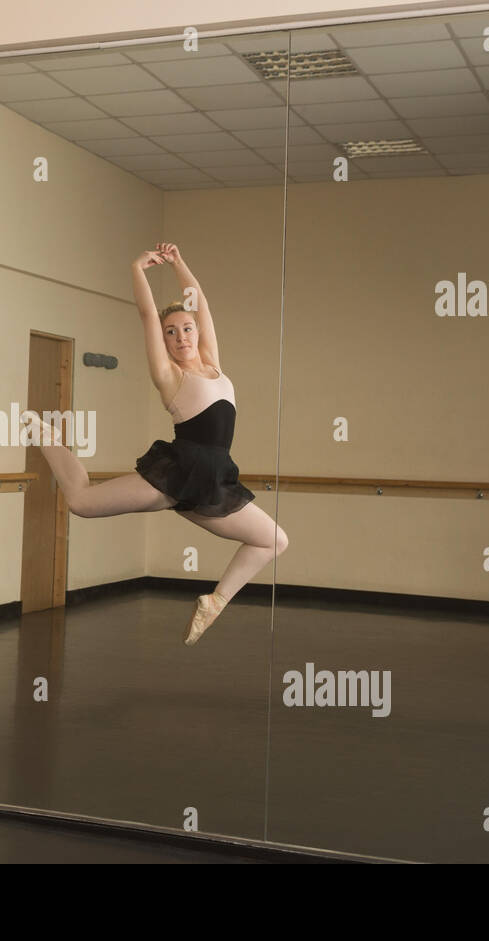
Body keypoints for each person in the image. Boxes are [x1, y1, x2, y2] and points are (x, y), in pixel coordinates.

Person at [22, 242, 289, 644]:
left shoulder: (213, 362)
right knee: (80, 502)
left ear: (196, 332)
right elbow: (147, 314)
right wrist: (137, 268)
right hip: (177, 473)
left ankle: (213, 602)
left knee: (273, 540)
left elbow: (201, 304)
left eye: (186, 329)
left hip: (215, 481)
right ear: (163, 341)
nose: (180, 336)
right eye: (171, 332)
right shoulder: (169, 374)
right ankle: (48, 437)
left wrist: (180, 263)